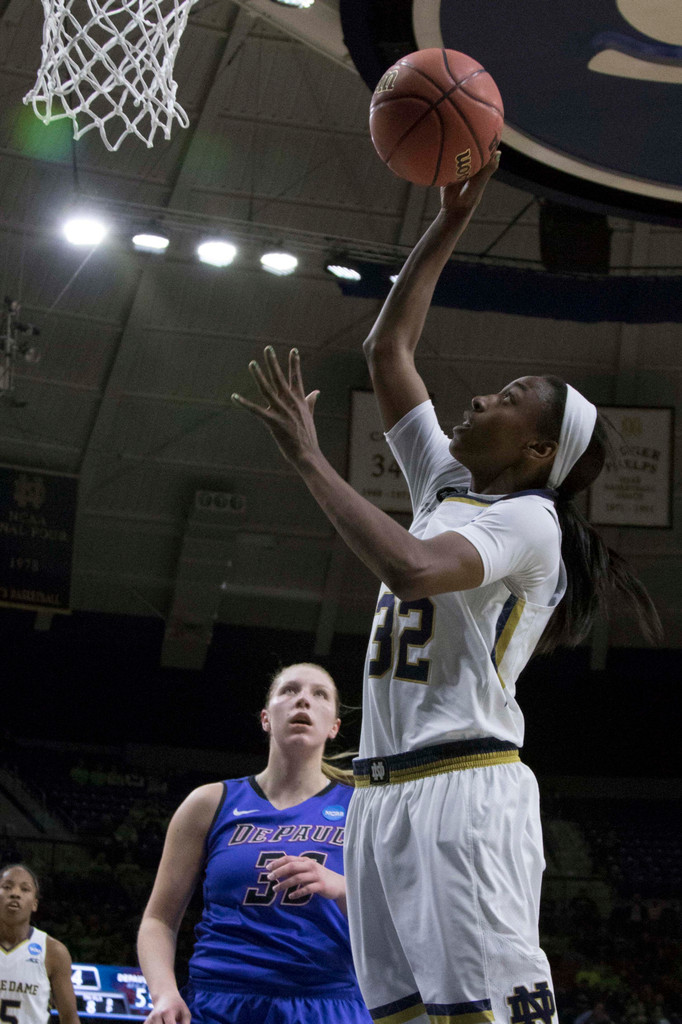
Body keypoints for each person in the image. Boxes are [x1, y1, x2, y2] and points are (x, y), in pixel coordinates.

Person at [232, 153, 662, 1024]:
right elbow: (387, 348)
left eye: (508, 398)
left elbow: (413, 569)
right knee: (399, 1019)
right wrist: (450, 223)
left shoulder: (531, 524)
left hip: (466, 785)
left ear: (539, 453)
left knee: (484, 1015)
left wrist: (312, 459)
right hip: (383, 796)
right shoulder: (446, 489)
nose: (478, 400)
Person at [137, 662, 371, 1024]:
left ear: (334, 727)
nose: (303, 701)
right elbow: (158, 920)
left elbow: (400, 921)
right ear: (265, 718)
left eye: (319, 694)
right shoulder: (209, 803)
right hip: (219, 1003)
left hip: (326, 1001)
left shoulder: (362, 808)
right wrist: (165, 992)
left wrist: (341, 889)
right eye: (289, 691)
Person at [0, 863, 79, 1024]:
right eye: (7, 887)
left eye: (25, 889)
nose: (15, 893)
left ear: (34, 904)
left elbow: (70, 1019)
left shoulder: (53, 952)